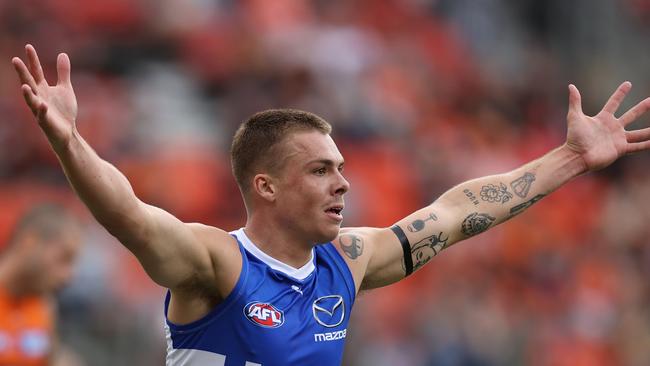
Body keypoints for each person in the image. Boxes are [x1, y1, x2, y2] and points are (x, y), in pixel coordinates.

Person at [10, 44, 650, 366]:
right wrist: (70, 141)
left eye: (342, 168)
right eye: (320, 171)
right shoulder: (217, 266)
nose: (344, 184)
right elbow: (129, 214)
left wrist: (567, 160)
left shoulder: (347, 261)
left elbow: (456, 212)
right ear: (265, 186)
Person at [0, 202, 84, 366]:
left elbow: (52, 358)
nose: (69, 276)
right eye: (64, 258)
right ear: (29, 242)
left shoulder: (45, 307)